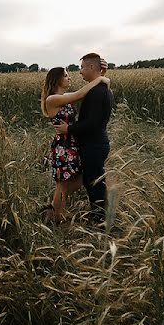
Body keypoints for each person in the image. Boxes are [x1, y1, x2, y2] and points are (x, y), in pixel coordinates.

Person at [40, 66, 111, 223]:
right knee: (63, 184)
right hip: (63, 146)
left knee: (77, 180)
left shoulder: (63, 96)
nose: (69, 77)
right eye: (65, 76)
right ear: (57, 79)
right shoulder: (52, 99)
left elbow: (84, 94)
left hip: (72, 143)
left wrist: (101, 75)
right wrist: (99, 79)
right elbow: (81, 94)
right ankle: (57, 214)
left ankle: (54, 208)